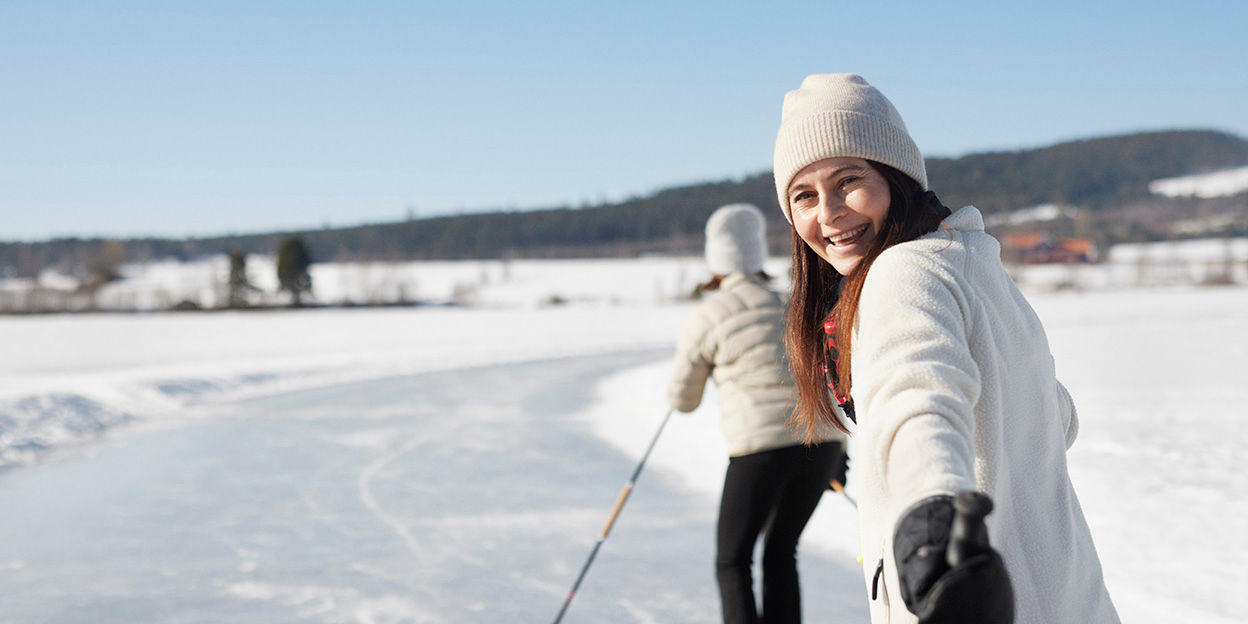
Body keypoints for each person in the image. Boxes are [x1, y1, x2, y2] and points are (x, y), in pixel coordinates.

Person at [771, 74, 1121, 624]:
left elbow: (918, 396)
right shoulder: (971, 261)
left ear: (896, 175)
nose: (830, 211)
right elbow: (1056, 413)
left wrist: (931, 514)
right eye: (804, 195)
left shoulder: (900, 272)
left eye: (848, 180)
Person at [668, 203, 846, 624]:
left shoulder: (709, 314)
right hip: (821, 445)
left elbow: (683, 399)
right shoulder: (790, 303)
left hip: (760, 450)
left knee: (733, 560)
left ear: (716, 261)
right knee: (782, 549)